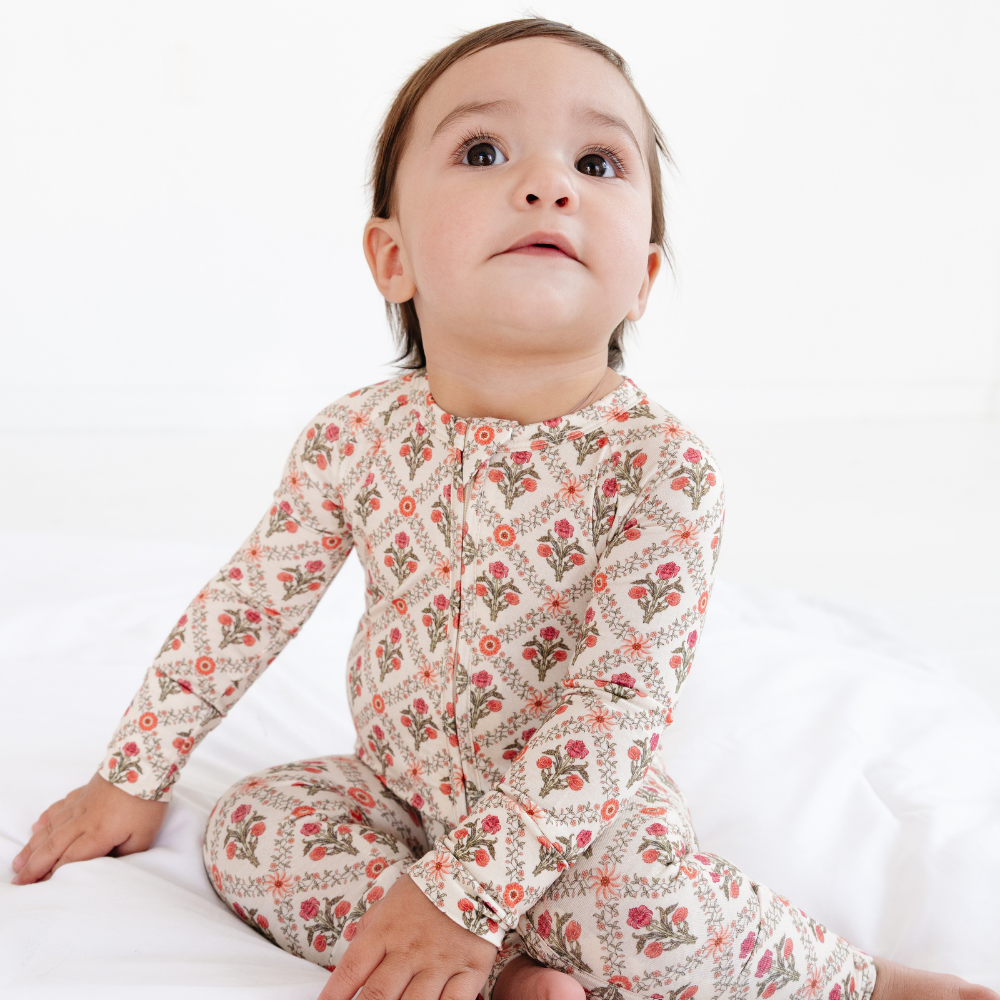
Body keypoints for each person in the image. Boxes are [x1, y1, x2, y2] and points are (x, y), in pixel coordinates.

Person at [10, 18, 996, 1000]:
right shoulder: (356, 436)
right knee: (250, 829)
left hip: (575, 819)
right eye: (484, 151)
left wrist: (467, 891)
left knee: (642, 905)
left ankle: (866, 983)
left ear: (641, 280)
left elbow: (615, 709)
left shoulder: (659, 469)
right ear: (391, 259)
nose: (548, 183)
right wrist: (133, 772)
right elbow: (247, 604)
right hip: (397, 791)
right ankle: (513, 973)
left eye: (598, 161)